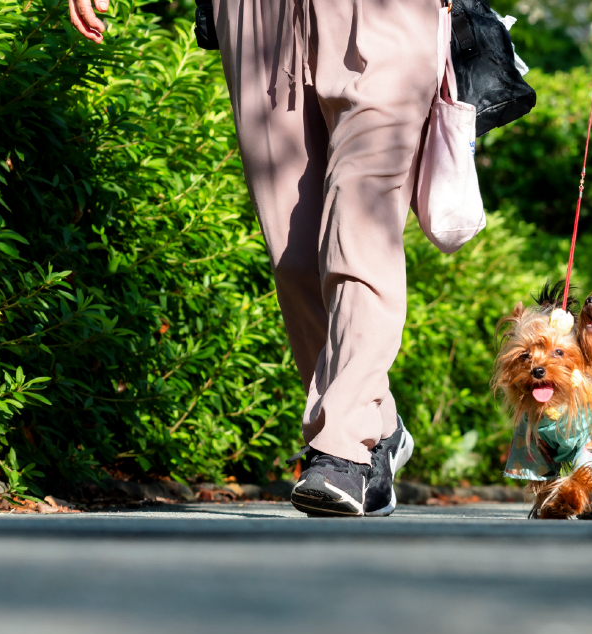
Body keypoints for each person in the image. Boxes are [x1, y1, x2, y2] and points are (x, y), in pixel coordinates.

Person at [69, 0, 433, 516]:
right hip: (258, 15)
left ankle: (344, 447)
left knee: (361, 224)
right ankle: (380, 427)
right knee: (295, 257)